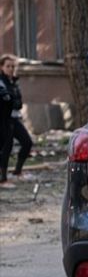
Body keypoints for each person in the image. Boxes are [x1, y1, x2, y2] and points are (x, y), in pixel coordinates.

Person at [0, 55, 32, 189]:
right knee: (6, 147)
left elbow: (17, 102)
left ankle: (17, 171)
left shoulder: (14, 82)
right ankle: (3, 179)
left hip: (15, 118)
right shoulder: (1, 83)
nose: (11, 69)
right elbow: (7, 101)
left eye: (13, 66)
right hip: (4, 119)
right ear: (1, 67)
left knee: (27, 142)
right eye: (8, 66)